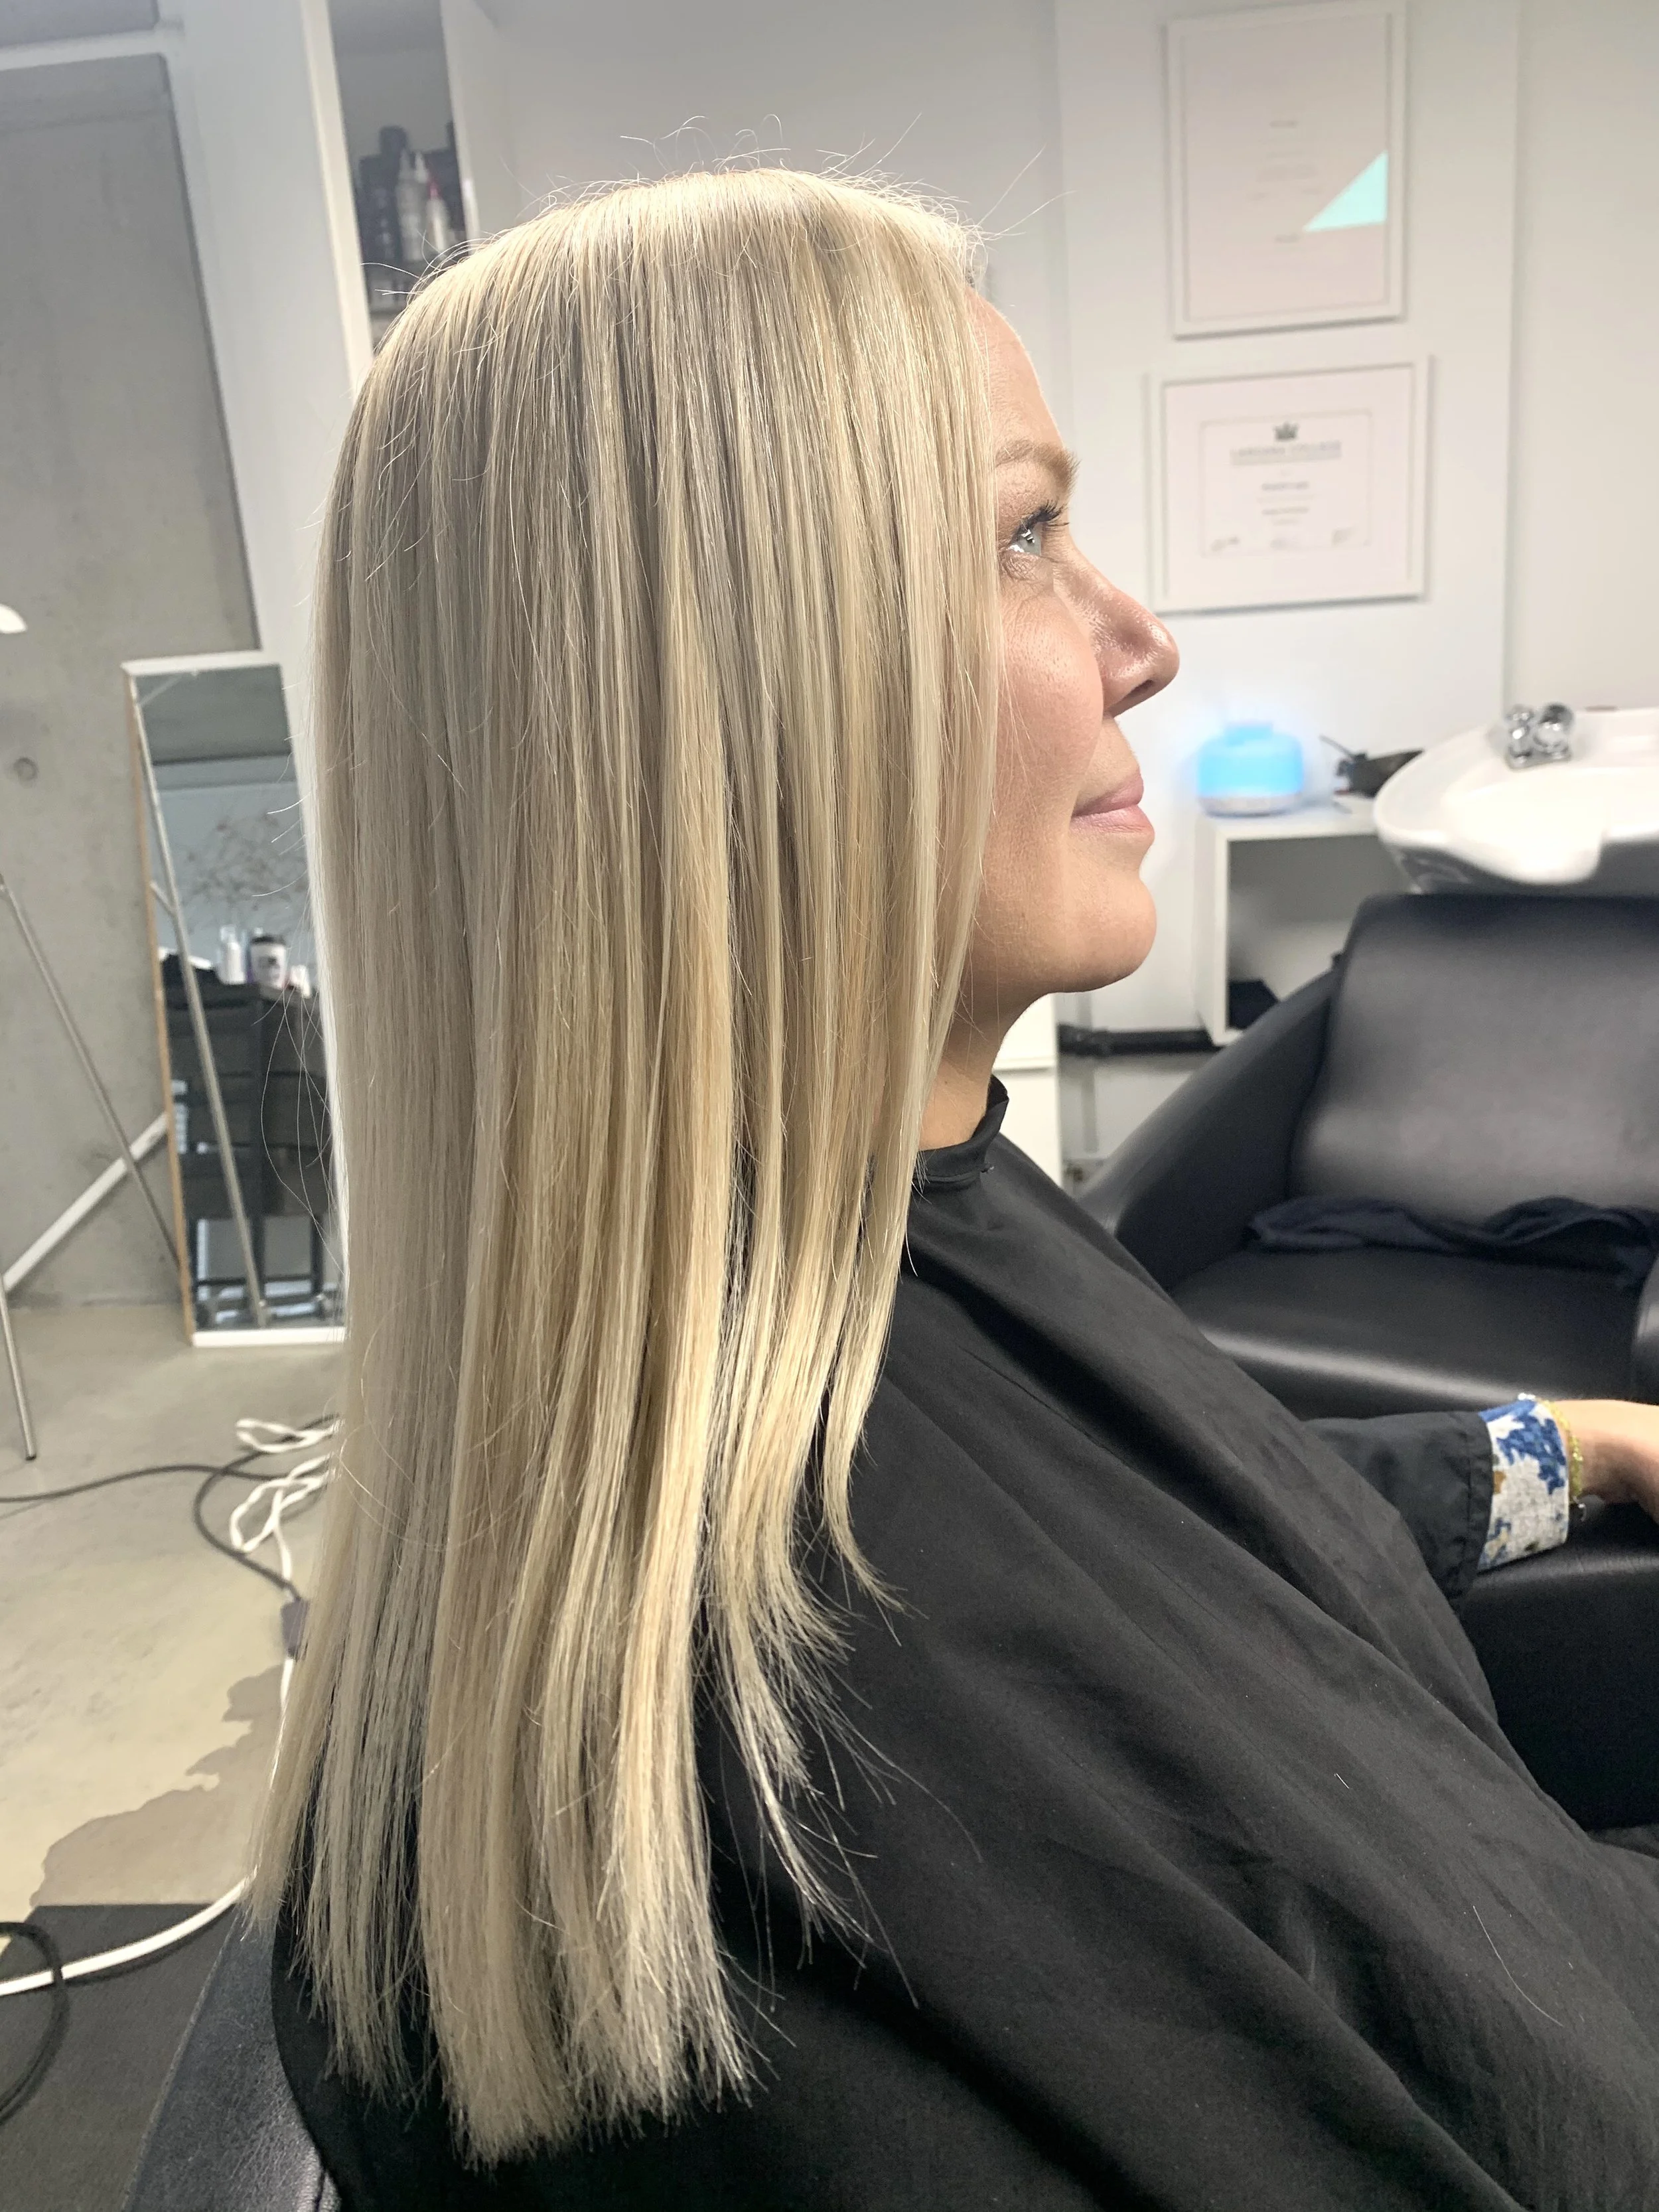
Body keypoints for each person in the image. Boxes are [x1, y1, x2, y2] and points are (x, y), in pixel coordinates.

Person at [259, 169, 1659, 2209]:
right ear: (737, 689)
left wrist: (1583, 1446)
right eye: (1025, 535)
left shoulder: (904, 1254)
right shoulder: (774, 1799)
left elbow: (1243, 1530)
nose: (1143, 641)